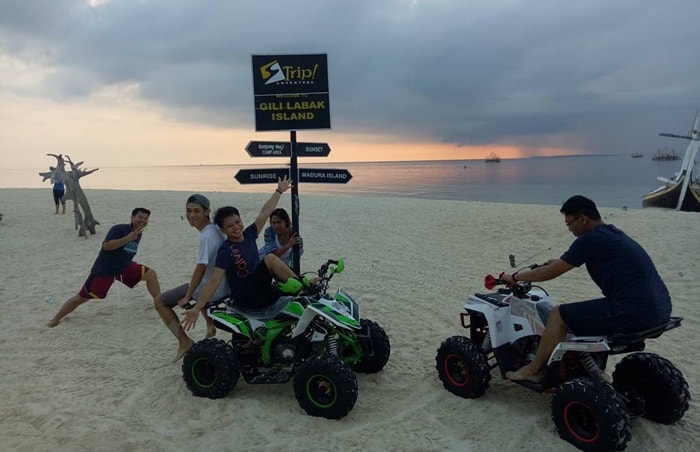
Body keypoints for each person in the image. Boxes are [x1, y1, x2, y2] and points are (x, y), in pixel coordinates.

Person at [502, 195, 672, 383]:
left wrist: (514, 277)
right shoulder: (610, 233)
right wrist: (557, 262)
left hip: (632, 311)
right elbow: (564, 262)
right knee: (581, 316)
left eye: (569, 223)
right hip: (660, 310)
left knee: (558, 314)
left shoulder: (589, 239)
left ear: (583, 219)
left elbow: (548, 274)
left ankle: (534, 370)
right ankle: (585, 366)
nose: (569, 229)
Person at [180, 176, 307, 332]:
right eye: (230, 226)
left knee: (289, 297)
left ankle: (302, 288)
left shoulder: (249, 235)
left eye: (237, 222)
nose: (236, 227)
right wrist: (196, 309)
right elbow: (213, 281)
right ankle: (302, 285)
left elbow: (264, 213)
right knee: (270, 258)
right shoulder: (226, 251)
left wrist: (279, 190)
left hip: (260, 288)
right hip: (244, 297)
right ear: (223, 230)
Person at [47, 208, 161, 327]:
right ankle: (55, 320)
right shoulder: (119, 229)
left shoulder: (138, 233)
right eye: (140, 217)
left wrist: (130, 240)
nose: (143, 220)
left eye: (145, 218)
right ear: (132, 217)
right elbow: (106, 246)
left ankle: (159, 303)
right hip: (105, 270)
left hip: (124, 267)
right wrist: (127, 238)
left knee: (150, 274)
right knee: (81, 298)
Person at [154, 194, 230, 361]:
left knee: (160, 301)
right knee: (195, 285)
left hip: (214, 289)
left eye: (196, 211)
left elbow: (200, 268)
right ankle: (210, 325)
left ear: (207, 212)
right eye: (188, 211)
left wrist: (188, 295)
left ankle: (184, 341)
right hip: (224, 285)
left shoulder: (206, 235)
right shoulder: (215, 230)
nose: (191, 215)